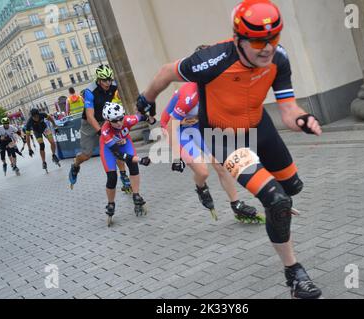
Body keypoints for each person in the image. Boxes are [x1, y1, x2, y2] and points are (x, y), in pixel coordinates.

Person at [136, 0, 323, 299]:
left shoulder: (279, 58)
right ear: (238, 39)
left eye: (273, 39)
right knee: (276, 201)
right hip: (225, 138)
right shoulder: (211, 61)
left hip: (261, 129)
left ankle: (275, 201)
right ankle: (295, 275)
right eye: (259, 41)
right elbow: (166, 71)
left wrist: (300, 118)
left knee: (292, 188)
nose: (267, 48)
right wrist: (146, 98)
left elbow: (288, 110)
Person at [161, 80, 262, 223]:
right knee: (203, 172)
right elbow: (170, 127)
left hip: (196, 124)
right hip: (174, 128)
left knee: (220, 164)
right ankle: (201, 187)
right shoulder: (189, 96)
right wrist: (178, 157)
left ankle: (236, 204)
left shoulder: (218, 91)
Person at [68, 65, 129, 189]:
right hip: (89, 124)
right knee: (87, 154)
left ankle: (124, 176)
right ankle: (75, 165)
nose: (108, 83)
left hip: (106, 120)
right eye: (104, 80)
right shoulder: (90, 91)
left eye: (109, 79)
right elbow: (90, 116)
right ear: (98, 80)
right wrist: (101, 132)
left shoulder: (113, 85)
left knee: (116, 147)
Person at [100, 102, 152, 226]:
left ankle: (136, 195)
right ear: (108, 120)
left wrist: (151, 119)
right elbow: (119, 155)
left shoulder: (128, 119)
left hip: (125, 143)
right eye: (114, 121)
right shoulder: (105, 131)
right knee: (112, 177)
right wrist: (140, 159)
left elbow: (142, 117)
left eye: (120, 119)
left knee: (133, 167)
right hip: (109, 149)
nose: (119, 123)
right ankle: (111, 203)